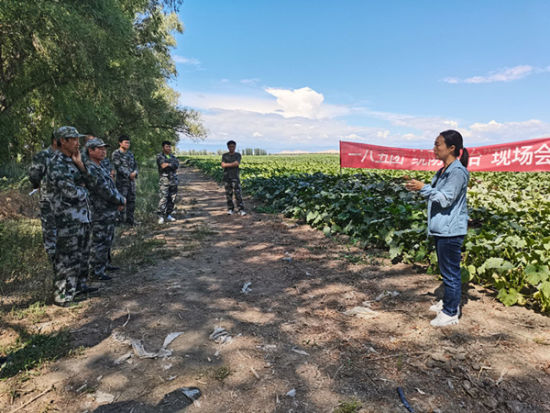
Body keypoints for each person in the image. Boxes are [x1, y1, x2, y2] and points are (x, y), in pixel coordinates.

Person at [405, 130, 469, 327]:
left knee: (450, 273)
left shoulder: (457, 172)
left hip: (450, 231)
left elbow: (445, 199)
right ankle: (448, 303)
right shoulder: (443, 170)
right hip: (442, 229)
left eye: (437, 144)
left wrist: (423, 188)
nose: (434, 149)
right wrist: (420, 187)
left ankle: (450, 313)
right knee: (446, 270)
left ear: (451, 148)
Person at [48, 126, 96, 306]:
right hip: (67, 218)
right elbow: (69, 191)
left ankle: (79, 287)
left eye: (78, 139)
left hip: (82, 216)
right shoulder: (57, 162)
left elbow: (92, 181)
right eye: (73, 139)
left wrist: (81, 165)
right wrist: (85, 189)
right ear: (63, 141)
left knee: (82, 255)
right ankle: (62, 297)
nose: (77, 143)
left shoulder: (74, 160)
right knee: (66, 257)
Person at [85, 138, 126, 282]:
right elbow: (104, 190)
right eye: (99, 149)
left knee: (107, 239)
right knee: (99, 241)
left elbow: (110, 185)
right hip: (99, 211)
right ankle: (96, 271)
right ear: (90, 150)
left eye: (104, 149)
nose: (103, 151)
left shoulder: (100, 166)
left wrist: (117, 201)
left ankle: (104, 264)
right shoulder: (91, 168)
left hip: (107, 210)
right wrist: (120, 200)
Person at [28, 133, 58, 265]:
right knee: (50, 227)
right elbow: (34, 175)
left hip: (65, 200)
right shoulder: (43, 155)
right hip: (48, 199)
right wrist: (38, 186)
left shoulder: (66, 155)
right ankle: (52, 256)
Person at [112, 134, 138, 225]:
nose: (127, 144)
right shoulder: (116, 153)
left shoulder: (130, 154)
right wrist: (129, 174)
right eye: (126, 142)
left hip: (131, 182)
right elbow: (118, 167)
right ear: (120, 143)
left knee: (131, 201)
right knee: (122, 201)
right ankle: (120, 221)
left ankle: (130, 221)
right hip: (122, 183)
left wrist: (135, 173)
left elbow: (135, 165)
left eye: (129, 143)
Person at [156, 140, 180, 224]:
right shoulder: (160, 156)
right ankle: (160, 215)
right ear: (163, 148)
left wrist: (169, 164)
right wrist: (171, 164)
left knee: (172, 198)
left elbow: (176, 166)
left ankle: (168, 214)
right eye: (167, 146)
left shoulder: (172, 156)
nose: (169, 148)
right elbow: (163, 165)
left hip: (173, 180)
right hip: (164, 180)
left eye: (170, 146)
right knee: (163, 198)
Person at [221, 140, 246, 216]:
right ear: (228, 147)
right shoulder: (224, 155)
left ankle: (241, 209)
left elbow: (237, 163)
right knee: (229, 194)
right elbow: (222, 165)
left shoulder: (238, 155)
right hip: (227, 177)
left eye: (233, 146)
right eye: (230, 146)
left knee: (238, 194)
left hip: (235, 177)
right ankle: (230, 209)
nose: (232, 148)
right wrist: (232, 164)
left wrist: (227, 164)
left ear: (235, 147)